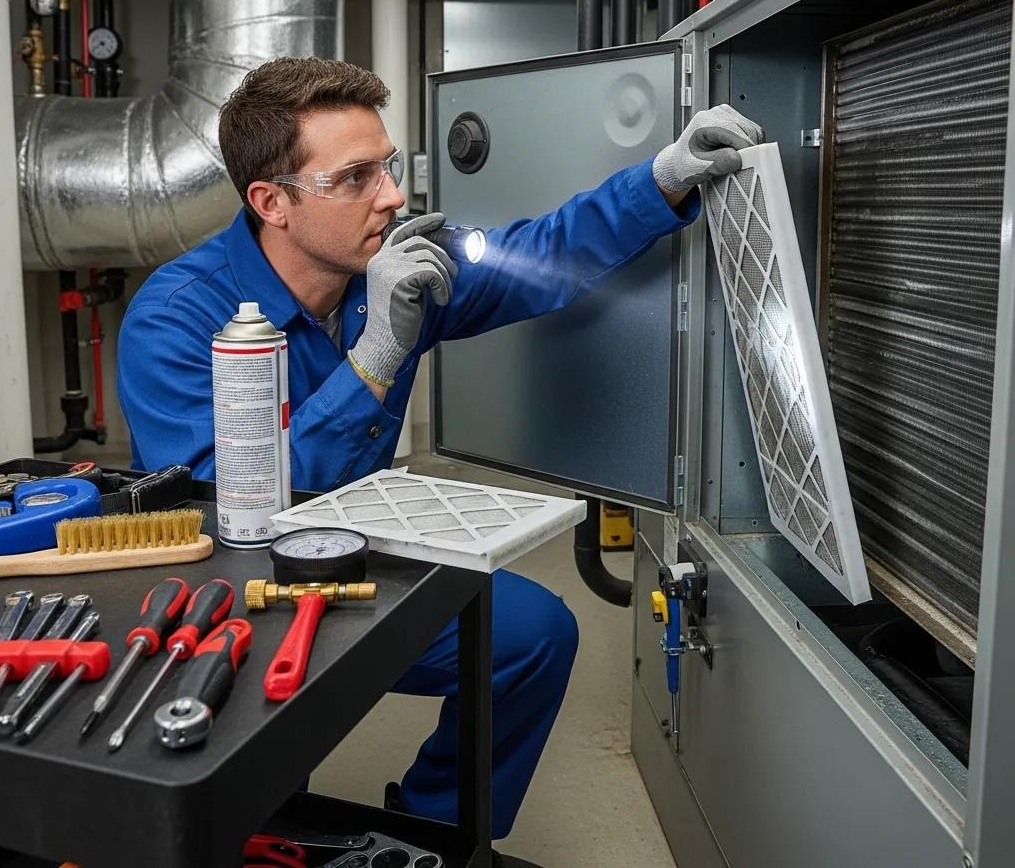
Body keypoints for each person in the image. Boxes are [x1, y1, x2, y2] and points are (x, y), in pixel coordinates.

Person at [117, 57, 762, 846]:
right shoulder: (176, 321)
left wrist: (661, 180)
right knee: (262, 785)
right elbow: (237, 506)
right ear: (271, 202)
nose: (390, 195)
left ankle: (432, 834)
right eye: (354, 177)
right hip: (245, 588)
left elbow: (539, 258)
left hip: (370, 549)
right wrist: (377, 354)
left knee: (533, 638)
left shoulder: (391, 267)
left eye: (387, 165)